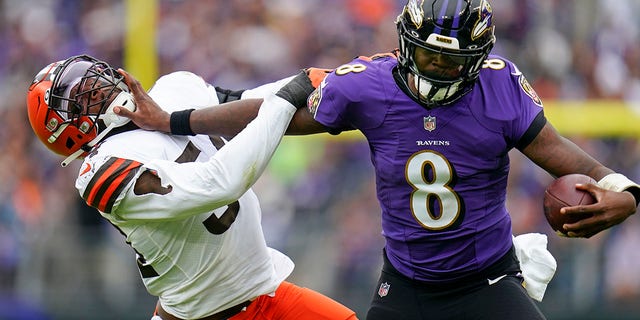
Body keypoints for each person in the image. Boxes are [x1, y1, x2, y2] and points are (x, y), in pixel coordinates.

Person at [115, 1, 640, 319]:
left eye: (449, 61)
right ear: (405, 43)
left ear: (476, 62)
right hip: (406, 285)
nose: (434, 70)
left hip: (488, 280)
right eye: (427, 55)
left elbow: (561, 154)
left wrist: (626, 192)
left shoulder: (499, 87)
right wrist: (173, 121)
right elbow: (273, 114)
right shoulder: (371, 84)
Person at [26, 54, 358, 320]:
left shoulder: (173, 88)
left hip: (264, 292)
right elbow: (221, 184)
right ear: (63, 129)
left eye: (89, 76)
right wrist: (288, 96)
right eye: (76, 96)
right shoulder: (100, 172)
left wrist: (348, 79)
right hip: (205, 315)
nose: (95, 86)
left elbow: (246, 106)